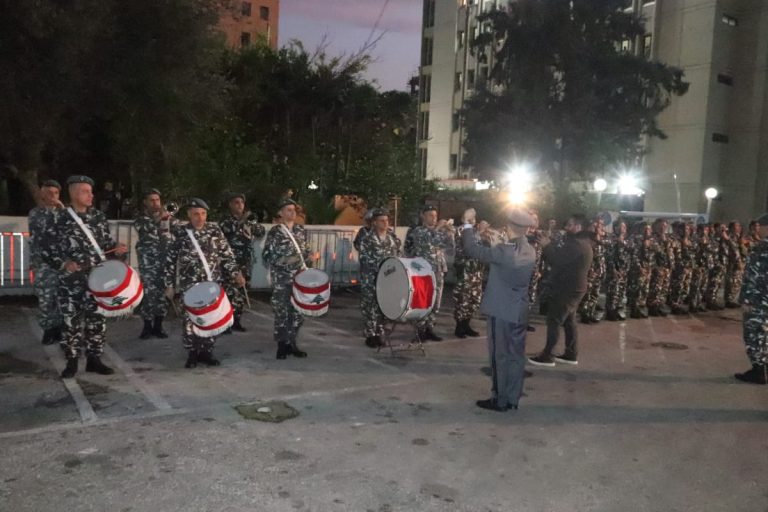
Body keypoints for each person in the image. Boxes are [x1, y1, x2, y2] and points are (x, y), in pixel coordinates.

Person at [460, 207, 536, 411]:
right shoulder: (529, 250)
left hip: (501, 310)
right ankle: (512, 398)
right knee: (516, 355)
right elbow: (507, 259)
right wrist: (499, 244)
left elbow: (472, 250)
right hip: (519, 310)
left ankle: (499, 400)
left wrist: (467, 224)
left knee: (499, 356)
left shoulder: (504, 251)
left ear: (509, 227)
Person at [52, 175, 129, 378]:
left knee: (97, 319)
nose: (91, 195)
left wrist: (117, 249)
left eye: (91, 192)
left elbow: (106, 244)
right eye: (86, 192)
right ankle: (71, 361)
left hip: (97, 278)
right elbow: (47, 249)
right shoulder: (59, 218)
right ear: (74, 193)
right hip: (71, 281)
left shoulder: (98, 217)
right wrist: (64, 263)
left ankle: (94, 359)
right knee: (71, 321)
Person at [163, 198, 244, 368]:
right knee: (190, 319)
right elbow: (170, 261)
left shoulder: (214, 231)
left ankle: (207, 352)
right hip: (189, 285)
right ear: (189, 215)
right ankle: (192, 353)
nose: (200, 218)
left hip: (212, 284)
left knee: (210, 317)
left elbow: (226, 254)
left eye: (203, 214)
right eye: (196, 214)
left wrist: (236, 273)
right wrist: (169, 285)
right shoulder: (181, 233)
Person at [528, 214, 592, 367]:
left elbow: (557, 260)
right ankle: (571, 353)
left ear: (578, 227)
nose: (566, 228)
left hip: (568, 289)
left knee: (554, 321)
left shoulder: (576, 244)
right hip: (574, 288)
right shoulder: (581, 243)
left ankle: (547, 355)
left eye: (569, 225)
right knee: (569, 321)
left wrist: (546, 246)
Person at [262, 198, 317, 359]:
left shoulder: (300, 230)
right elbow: (267, 256)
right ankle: (282, 345)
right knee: (282, 312)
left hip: (300, 279)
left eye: (294, 210)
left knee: (298, 312)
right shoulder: (276, 232)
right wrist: (288, 260)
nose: (292, 213)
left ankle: (292, 343)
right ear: (281, 213)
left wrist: (311, 256)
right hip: (282, 279)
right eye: (288, 210)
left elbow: (306, 250)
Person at [404, 205, 454, 341]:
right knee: (424, 301)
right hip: (424, 272)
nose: (434, 218)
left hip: (438, 270)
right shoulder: (418, 231)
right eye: (431, 215)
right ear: (423, 216)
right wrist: (438, 229)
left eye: (435, 216)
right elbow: (429, 242)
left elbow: (450, 248)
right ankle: (419, 331)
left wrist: (449, 233)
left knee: (436, 302)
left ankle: (429, 328)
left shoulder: (439, 231)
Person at [134, 188, 177, 340]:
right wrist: (160, 218)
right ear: (145, 202)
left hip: (165, 261)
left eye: (157, 200)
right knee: (148, 294)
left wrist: (169, 219)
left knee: (163, 294)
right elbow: (146, 229)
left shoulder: (168, 218)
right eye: (152, 200)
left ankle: (158, 326)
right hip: (149, 264)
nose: (155, 203)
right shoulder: (141, 219)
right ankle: (147, 326)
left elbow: (179, 231)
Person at [219, 193, 266, 332]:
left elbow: (260, 232)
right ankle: (225, 322)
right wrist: (242, 220)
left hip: (245, 261)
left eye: (242, 203)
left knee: (241, 292)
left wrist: (253, 223)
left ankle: (236, 320)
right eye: (236, 202)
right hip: (230, 261)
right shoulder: (226, 220)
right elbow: (226, 230)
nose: (240, 205)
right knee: (228, 292)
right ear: (230, 205)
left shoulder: (249, 220)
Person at [28, 179, 64, 345]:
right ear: (42, 195)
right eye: (49, 193)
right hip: (43, 263)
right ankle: (49, 330)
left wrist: (63, 211)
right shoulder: (36, 213)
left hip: (62, 262)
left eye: (56, 193)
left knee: (61, 297)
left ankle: (60, 329)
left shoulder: (64, 213)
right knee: (46, 298)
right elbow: (42, 231)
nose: (53, 196)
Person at [358, 208, 400, 348]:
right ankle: (371, 335)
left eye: (387, 220)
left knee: (383, 306)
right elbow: (364, 258)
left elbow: (398, 254)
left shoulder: (392, 237)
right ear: (374, 222)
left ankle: (380, 333)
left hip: (387, 278)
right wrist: (381, 266)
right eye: (382, 221)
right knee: (370, 307)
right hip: (371, 278)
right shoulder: (367, 239)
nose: (385, 223)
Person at [735, 212, 768, 384]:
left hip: (759, 300)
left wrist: (746, 299)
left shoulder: (761, 248)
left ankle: (758, 371)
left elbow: (753, 276)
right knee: (765, 334)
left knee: (754, 335)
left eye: (760, 226)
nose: (758, 230)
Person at [453, 210, 486, 338]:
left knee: (474, 299)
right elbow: (466, 249)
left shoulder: (475, 231)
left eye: (474, 217)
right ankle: (459, 327)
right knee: (463, 299)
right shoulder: (462, 230)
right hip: (465, 271)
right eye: (471, 217)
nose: (474, 219)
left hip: (476, 271)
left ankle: (467, 325)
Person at [647, 218, 675, 317]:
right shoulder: (652, 238)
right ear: (656, 227)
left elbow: (671, 252)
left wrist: (665, 241)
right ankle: (653, 306)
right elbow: (655, 253)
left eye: (665, 226)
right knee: (655, 289)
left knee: (664, 288)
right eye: (661, 226)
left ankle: (661, 304)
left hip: (667, 268)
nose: (663, 228)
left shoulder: (668, 239)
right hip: (657, 268)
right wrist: (655, 268)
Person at [604, 220, 630, 321]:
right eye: (622, 227)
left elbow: (629, 255)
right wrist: (613, 269)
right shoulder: (612, 239)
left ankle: (617, 310)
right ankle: (611, 312)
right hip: (614, 270)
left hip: (624, 270)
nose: (624, 229)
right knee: (613, 292)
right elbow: (609, 256)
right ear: (616, 228)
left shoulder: (626, 240)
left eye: (624, 227)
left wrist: (626, 269)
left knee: (620, 292)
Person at [627, 222, 654, 318]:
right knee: (637, 290)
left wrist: (650, 268)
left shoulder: (651, 240)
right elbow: (634, 256)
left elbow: (652, 255)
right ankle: (635, 310)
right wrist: (640, 267)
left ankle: (642, 308)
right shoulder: (637, 239)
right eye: (645, 229)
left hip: (647, 269)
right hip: (638, 270)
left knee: (645, 290)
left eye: (649, 229)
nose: (647, 231)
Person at [668, 221, 694, 315]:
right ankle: (675, 304)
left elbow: (692, 254)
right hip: (679, 268)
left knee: (685, 287)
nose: (686, 231)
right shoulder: (675, 240)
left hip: (688, 267)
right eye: (684, 229)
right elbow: (673, 255)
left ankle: (681, 302)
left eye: (688, 229)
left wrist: (690, 266)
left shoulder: (690, 241)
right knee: (677, 287)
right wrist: (679, 266)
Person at [724, 220, 747, 308]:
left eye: (739, 226)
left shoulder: (739, 237)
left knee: (737, 281)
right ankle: (729, 300)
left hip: (739, 262)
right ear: (731, 228)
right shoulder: (729, 237)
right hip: (732, 262)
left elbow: (744, 250)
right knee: (731, 281)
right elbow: (733, 249)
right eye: (736, 226)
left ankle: (733, 299)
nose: (738, 228)